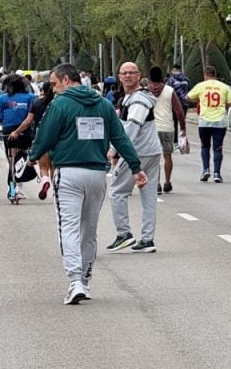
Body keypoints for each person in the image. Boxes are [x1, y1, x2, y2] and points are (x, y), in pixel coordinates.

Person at [28, 64, 144, 305]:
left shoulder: (59, 105)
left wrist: (33, 155)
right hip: (96, 173)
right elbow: (120, 137)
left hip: (68, 172)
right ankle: (86, 276)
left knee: (68, 227)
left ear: (66, 80)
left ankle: (75, 280)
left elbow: (45, 135)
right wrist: (135, 167)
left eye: (54, 83)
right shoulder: (103, 104)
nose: (53, 88)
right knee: (89, 229)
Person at [107, 62, 163, 255]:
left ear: (139, 76)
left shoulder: (139, 100)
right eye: (124, 73)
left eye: (132, 72)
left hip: (137, 153)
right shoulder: (130, 98)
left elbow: (132, 127)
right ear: (119, 76)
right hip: (151, 151)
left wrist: (116, 150)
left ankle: (124, 234)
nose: (128, 76)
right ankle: (147, 239)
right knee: (148, 197)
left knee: (117, 191)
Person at [186, 65, 231, 183]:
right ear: (215, 75)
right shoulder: (224, 87)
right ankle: (217, 173)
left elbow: (188, 97)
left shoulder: (201, 86)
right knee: (218, 148)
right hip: (220, 121)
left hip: (204, 121)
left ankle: (205, 169)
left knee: (205, 146)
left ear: (205, 75)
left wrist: (199, 99)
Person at [0, 74, 36, 202]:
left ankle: (12, 186)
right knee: (22, 158)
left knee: (12, 159)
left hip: (8, 130)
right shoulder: (31, 97)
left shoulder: (2, 99)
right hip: (25, 130)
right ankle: (19, 187)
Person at [147, 66, 188, 193]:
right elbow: (179, 111)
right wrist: (182, 127)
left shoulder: (146, 91)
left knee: (154, 158)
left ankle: (156, 184)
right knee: (167, 155)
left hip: (151, 128)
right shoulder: (170, 90)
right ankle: (167, 182)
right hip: (167, 127)